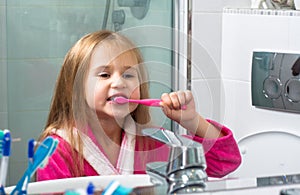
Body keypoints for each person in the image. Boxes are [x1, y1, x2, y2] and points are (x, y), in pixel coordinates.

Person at [36, 30, 241, 181]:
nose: (119, 82)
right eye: (105, 74)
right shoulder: (56, 150)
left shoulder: (150, 141)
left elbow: (225, 162)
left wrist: (192, 121)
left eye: (128, 75)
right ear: (76, 87)